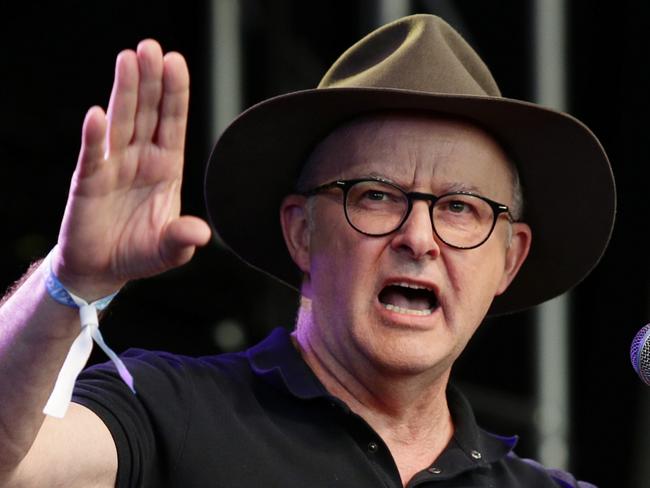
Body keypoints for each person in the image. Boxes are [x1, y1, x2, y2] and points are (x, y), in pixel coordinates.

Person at [0, 14, 615, 488]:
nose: (419, 238)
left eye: (460, 208)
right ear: (301, 231)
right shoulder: (176, 408)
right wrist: (67, 282)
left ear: (509, 258)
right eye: (376, 196)